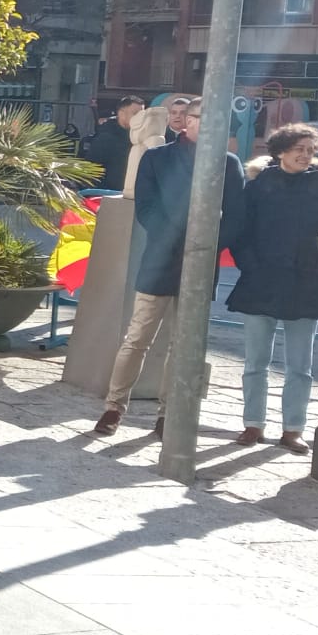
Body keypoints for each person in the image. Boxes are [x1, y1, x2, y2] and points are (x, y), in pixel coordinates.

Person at [94, 96, 245, 436]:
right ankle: (114, 407)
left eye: (213, 117)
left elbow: (237, 216)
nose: (206, 123)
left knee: (184, 344)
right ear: (185, 122)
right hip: (161, 258)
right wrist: (175, 236)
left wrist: (209, 244)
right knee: (138, 338)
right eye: (199, 117)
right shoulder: (157, 158)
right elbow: (146, 208)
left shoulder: (228, 163)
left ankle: (169, 413)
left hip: (202, 263)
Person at [227, 123, 318, 454]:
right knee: (256, 362)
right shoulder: (258, 185)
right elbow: (240, 230)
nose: (305, 155)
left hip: (304, 284)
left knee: (300, 366)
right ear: (281, 150)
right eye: (299, 148)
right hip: (260, 281)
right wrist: (250, 265)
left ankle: (293, 429)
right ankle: (253, 424)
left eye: (311, 150)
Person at [88, 96, 146, 192]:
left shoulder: (142, 139)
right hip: (109, 197)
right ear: (122, 114)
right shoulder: (105, 139)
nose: (140, 119)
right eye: (135, 114)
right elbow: (91, 172)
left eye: (142, 115)